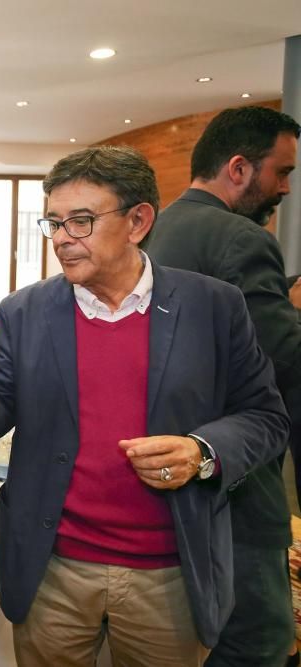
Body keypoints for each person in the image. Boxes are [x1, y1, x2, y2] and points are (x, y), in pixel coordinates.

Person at [0, 146, 289, 665]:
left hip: (170, 573)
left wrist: (201, 451)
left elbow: (265, 416)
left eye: (80, 221)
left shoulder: (213, 306)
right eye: (53, 222)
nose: (60, 239)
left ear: (138, 220)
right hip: (52, 568)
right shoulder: (24, 312)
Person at [147, 106, 300, 666]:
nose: (285, 187)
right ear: (238, 168)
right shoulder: (242, 240)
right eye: (281, 172)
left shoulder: (152, 229)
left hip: (161, 470)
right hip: (235, 482)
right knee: (256, 640)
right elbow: (279, 363)